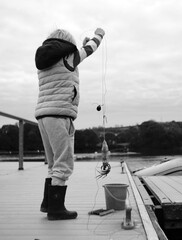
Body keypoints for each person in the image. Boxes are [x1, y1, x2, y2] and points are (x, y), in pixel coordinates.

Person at [35, 28, 105, 220]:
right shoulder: (70, 57)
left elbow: (71, 60)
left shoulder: (44, 61)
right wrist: (99, 35)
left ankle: (48, 204)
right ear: (67, 44)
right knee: (63, 163)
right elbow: (90, 49)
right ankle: (56, 210)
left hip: (43, 116)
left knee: (53, 163)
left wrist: (81, 47)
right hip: (60, 115)